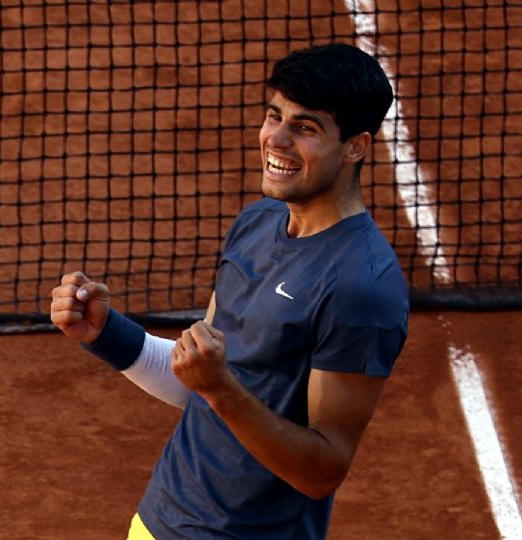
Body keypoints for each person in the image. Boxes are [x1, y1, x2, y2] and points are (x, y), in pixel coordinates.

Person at [49, 43, 409, 539]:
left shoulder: (361, 286)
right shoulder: (258, 222)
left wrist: (219, 388)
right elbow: (203, 382)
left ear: (356, 147)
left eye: (305, 128)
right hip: (160, 520)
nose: (276, 139)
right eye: (273, 115)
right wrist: (106, 334)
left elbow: (321, 470)